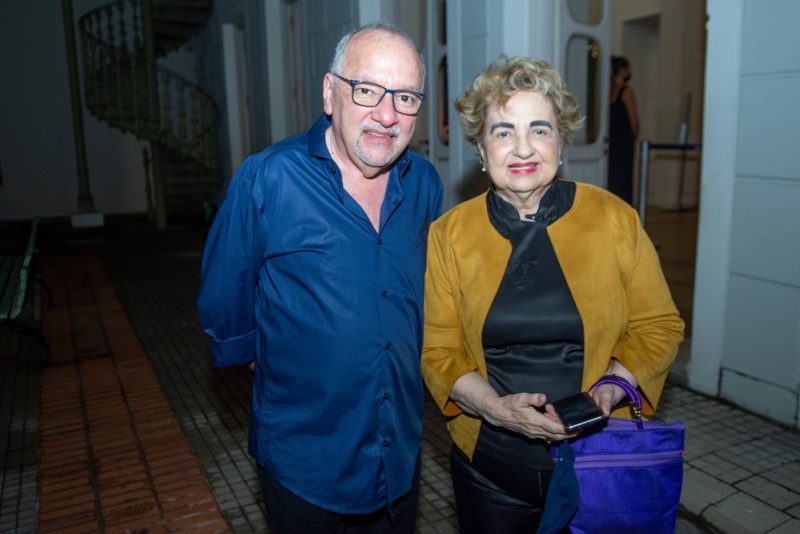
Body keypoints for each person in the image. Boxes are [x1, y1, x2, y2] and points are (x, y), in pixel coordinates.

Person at [420, 56, 683, 533]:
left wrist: (611, 387)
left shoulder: (614, 219)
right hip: (489, 465)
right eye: (503, 132)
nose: (522, 148)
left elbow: (659, 325)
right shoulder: (449, 235)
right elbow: (438, 352)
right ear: (481, 148)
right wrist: (498, 410)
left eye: (539, 130)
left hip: (598, 458)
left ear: (562, 141)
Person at [197, 23, 443, 533]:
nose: (387, 114)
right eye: (368, 90)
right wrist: (283, 370)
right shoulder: (267, 180)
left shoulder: (425, 184)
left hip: (398, 449)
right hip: (306, 462)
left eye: (405, 97)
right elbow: (226, 304)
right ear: (330, 93)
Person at [608, 55, 640, 205]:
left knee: (613, 177)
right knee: (623, 179)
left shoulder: (608, 90)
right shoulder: (627, 91)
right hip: (623, 141)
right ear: (621, 70)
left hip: (612, 140)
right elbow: (634, 122)